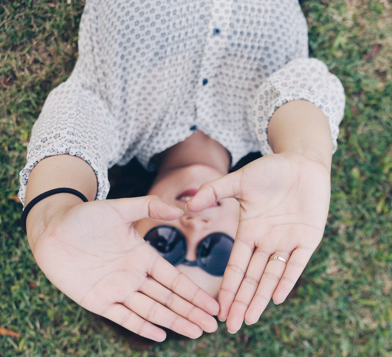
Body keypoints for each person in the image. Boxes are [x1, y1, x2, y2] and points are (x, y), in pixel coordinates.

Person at [19, 0, 345, 343]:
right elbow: (307, 84)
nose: (193, 226)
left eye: (164, 245)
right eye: (216, 250)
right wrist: (306, 153)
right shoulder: (278, 130)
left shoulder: (114, 123)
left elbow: (74, 124)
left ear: (129, 228)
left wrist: (50, 215)